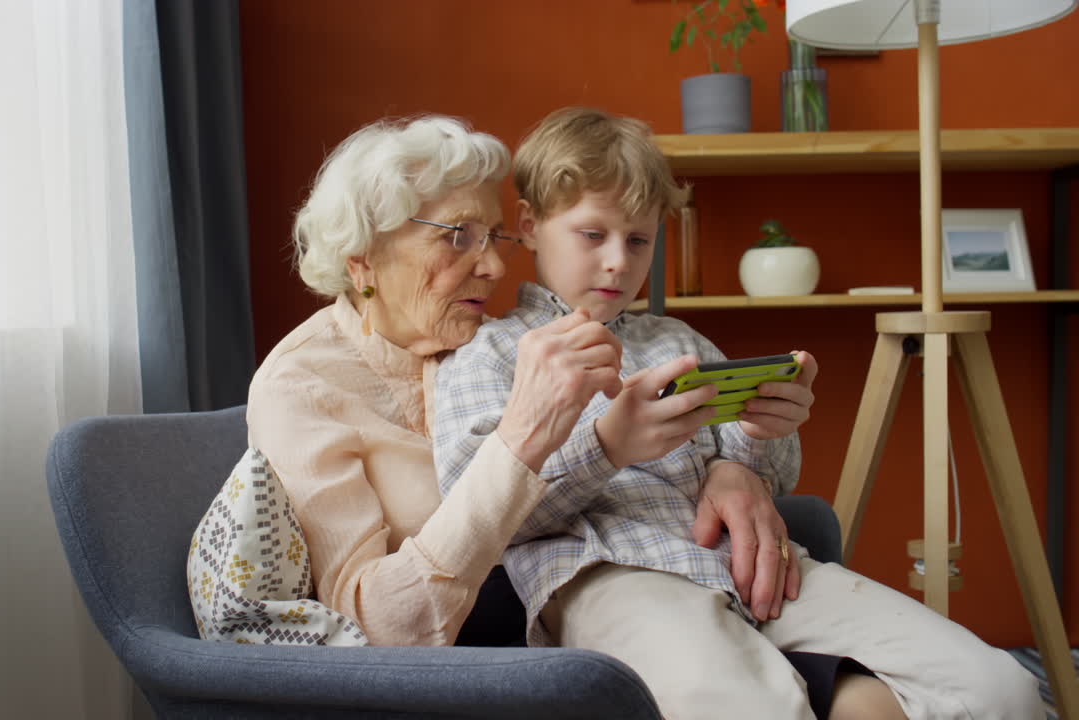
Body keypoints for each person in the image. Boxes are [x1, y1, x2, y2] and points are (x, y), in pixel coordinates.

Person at [431, 106, 1042, 720]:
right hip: (612, 572)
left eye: (639, 239)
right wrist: (606, 444)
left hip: (757, 565)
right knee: (749, 707)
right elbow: (475, 518)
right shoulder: (490, 353)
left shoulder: (679, 341)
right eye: (594, 235)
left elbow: (775, 473)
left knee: (1001, 690)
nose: (619, 260)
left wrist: (756, 433)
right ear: (530, 224)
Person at [243, 114, 774, 651]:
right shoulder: (300, 387)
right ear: (364, 259)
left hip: (644, 608)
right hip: (494, 667)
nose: (496, 267)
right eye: (459, 237)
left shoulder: (490, 344)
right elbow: (369, 628)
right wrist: (520, 442)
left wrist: (730, 466)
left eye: (493, 237)